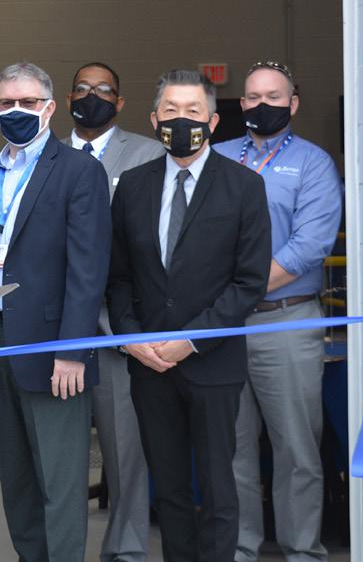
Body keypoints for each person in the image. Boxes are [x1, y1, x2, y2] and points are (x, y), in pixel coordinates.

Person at [0, 62, 111, 562]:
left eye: (28, 102)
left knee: (59, 479)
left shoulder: (79, 170)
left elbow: (88, 269)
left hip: (52, 346)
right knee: (14, 476)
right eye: (7, 103)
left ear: (50, 108)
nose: (17, 110)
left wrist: (73, 349)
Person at [108, 69, 272, 562]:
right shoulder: (132, 186)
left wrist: (192, 340)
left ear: (214, 121)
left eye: (194, 111)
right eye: (171, 111)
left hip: (213, 362)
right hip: (149, 363)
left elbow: (248, 282)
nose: (182, 121)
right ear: (154, 119)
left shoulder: (244, 186)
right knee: (169, 487)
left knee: (220, 486)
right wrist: (132, 338)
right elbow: (118, 277)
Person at [212, 61, 343, 562]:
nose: (261, 105)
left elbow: (309, 247)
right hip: (223, 326)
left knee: (297, 450)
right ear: (241, 103)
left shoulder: (313, 164)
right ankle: (240, 549)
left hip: (285, 320)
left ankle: (302, 550)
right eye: (252, 96)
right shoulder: (218, 156)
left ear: (293, 103)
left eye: (273, 96)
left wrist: (237, 289)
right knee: (231, 448)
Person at [62, 61, 166, 562]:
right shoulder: (44, 154)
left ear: (120, 103)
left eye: (103, 90)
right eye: (82, 89)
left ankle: (125, 551)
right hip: (59, 330)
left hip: (119, 329)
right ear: (67, 100)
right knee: (59, 459)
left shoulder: (148, 154)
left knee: (126, 454)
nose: (92, 96)